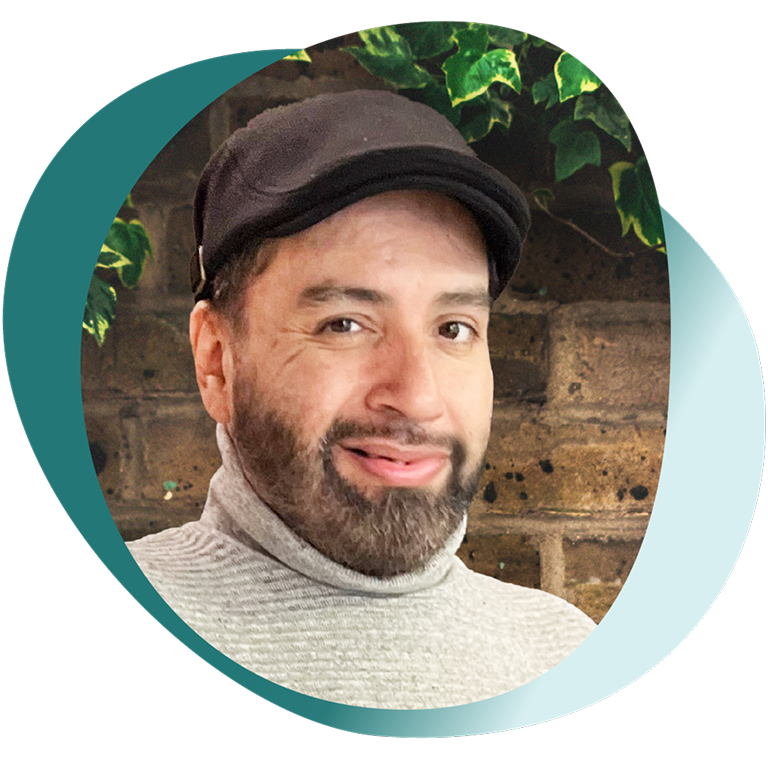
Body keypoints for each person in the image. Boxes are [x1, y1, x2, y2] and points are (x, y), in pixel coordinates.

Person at [127, 89, 596, 709]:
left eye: (453, 328)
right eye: (344, 324)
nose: (417, 396)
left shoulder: (566, 655)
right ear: (216, 360)